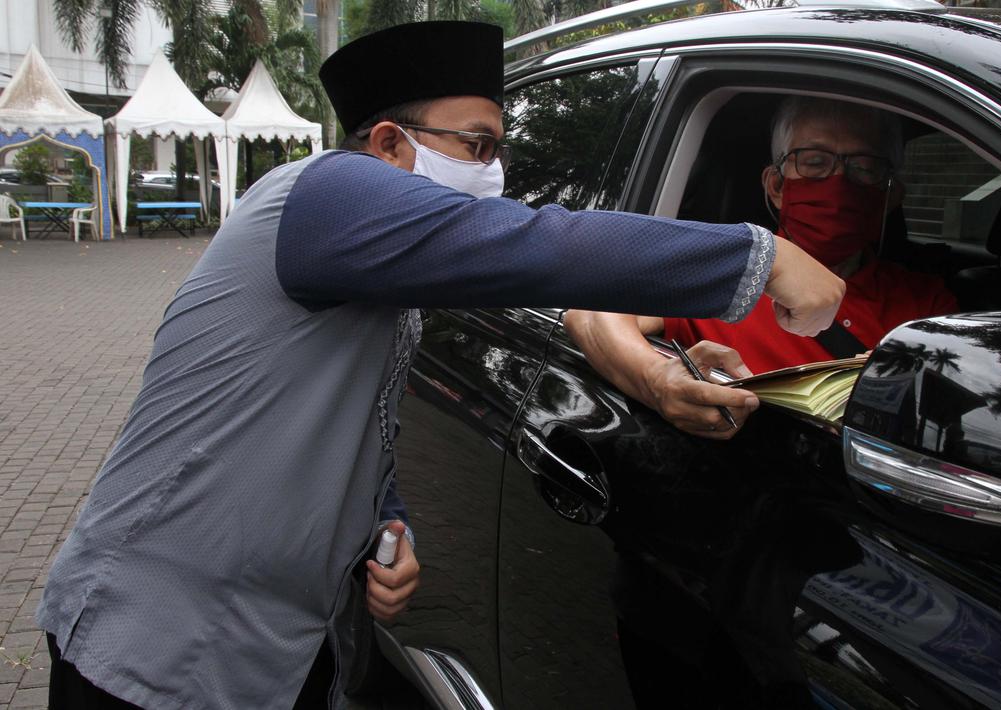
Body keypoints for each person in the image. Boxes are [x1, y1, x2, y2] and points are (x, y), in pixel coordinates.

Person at [35, 22, 846, 709]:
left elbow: (364, 413)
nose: (492, 172)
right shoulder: (323, 192)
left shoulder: (378, 265)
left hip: (281, 645)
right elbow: (535, 243)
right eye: (476, 145)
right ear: (388, 144)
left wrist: (386, 522)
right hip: (155, 641)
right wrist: (760, 256)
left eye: (499, 150)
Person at [566, 96, 958, 440]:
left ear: (891, 194)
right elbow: (591, 311)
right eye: (814, 162)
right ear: (776, 186)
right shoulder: (725, 270)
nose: (838, 183)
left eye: (864, 167)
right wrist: (655, 380)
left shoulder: (925, 301)